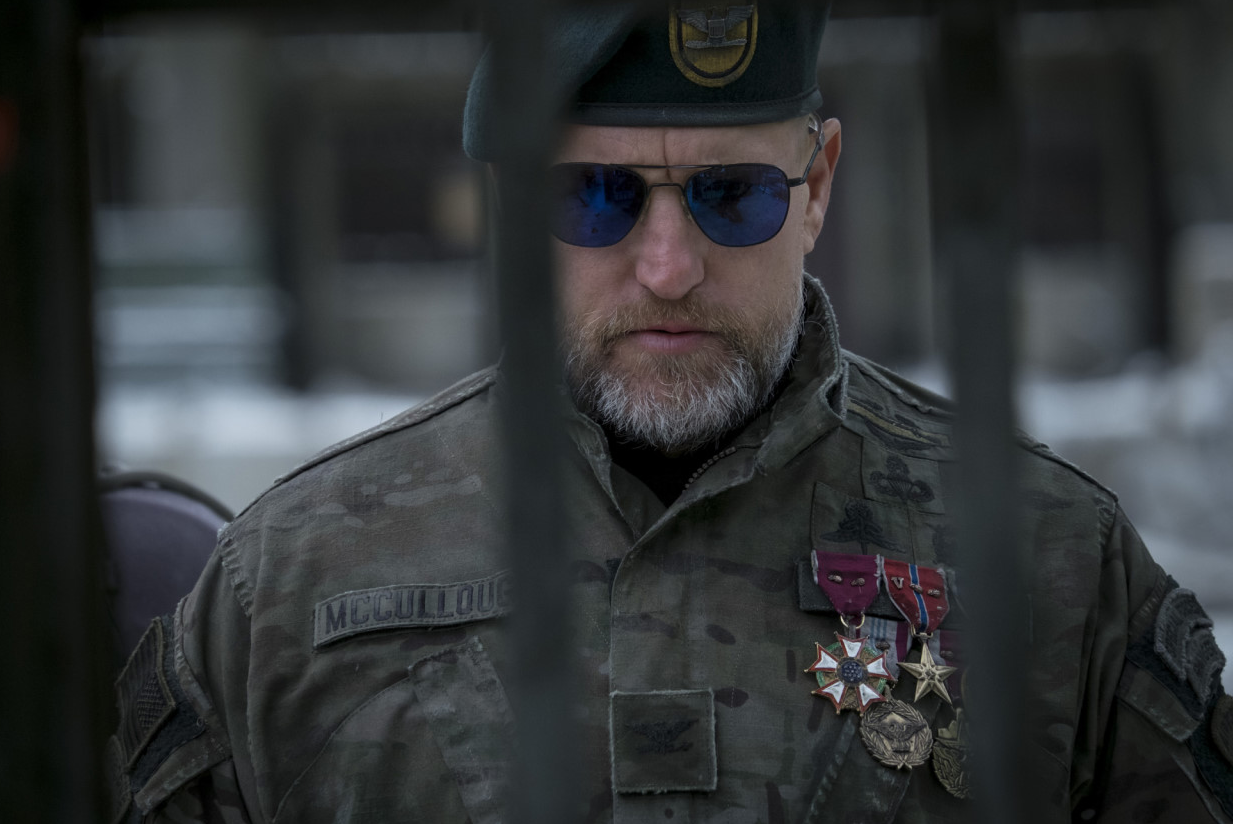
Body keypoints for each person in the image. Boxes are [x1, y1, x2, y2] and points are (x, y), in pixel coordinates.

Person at [109, 4, 1233, 822]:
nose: (667, 267)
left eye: (730, 195)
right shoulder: (292, 583)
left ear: (818, 186)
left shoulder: (1050, 560)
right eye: (593, 196)